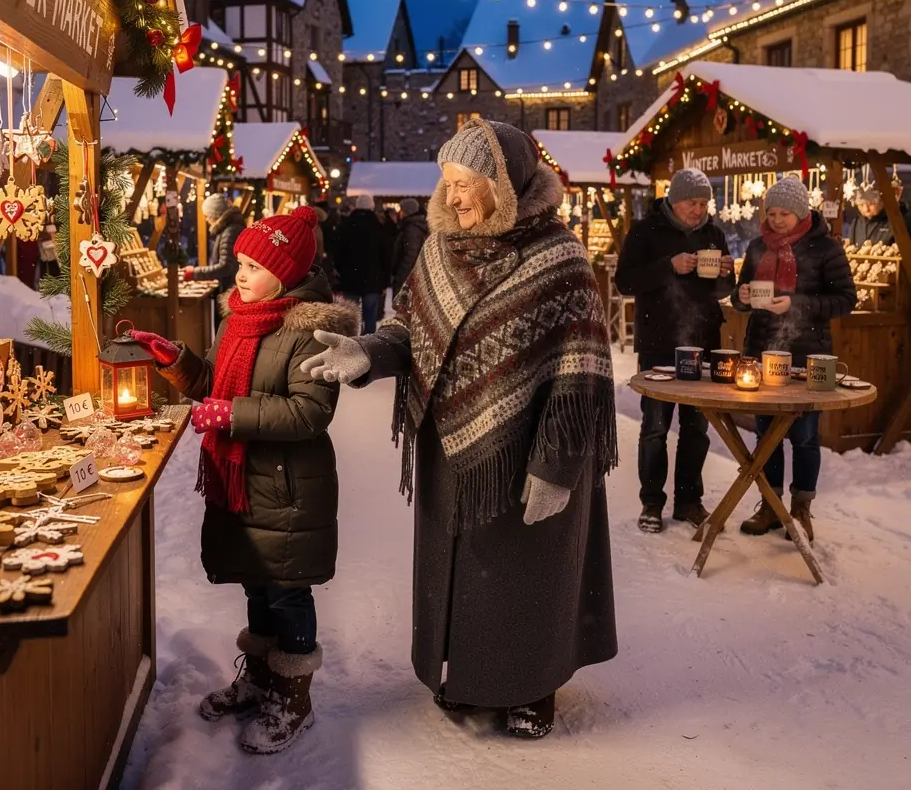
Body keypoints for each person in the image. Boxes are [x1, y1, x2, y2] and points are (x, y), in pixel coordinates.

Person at [302, 119, 618, 739]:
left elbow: (578, 377)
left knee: (526, 572)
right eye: (447, 182)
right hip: (450, 449)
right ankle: (469, 677)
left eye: (469, 181)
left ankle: (532, 688)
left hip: (529, 452)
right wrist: (370, 353)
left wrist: (555, 468)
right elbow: (409, 329)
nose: (455, 196)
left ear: (507, 182)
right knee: (465, 570)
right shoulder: (439, 249)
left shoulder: (561, 257)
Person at [129, 207, 358, 755]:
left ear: (286, 274)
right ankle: (260, 677)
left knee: (286, 592)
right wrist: (179, 363)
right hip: (243, 484)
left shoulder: (310, 331)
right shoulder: (238, 318)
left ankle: (293, 695)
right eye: (241, 262)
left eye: (255, 265)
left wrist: (231, 415)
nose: (241, 274)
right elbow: (214, 382)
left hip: (286, 487)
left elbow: (308, 412)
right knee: (257, 581)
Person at [732, 177, 856, 543]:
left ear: (801, 212)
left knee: (804, 436)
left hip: (808, 354)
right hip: (762, 351)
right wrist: (740, 296)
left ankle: (801, 508)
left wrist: (797, 304)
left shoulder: (825, 248)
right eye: (771, 213)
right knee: (766, 434)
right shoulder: (756, 247)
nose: (776, 220)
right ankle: (771, 504)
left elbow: (846, 299)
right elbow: (742, 298)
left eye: (784, 213)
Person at [615, 168, 734, 534]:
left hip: (703, 341)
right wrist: (668, 267)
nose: (698, 210)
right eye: (691, 203)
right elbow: (625, 283)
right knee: (654, 427)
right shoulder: (645, 231)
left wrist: (725, 275)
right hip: (659, 344)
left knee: (696, 427)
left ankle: (688, 501)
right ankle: (651, 503)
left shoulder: (713, 234)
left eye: (703, 203)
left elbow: (724, 290)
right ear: (673, 199)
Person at [334, 193, 391, 334]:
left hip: (350, 277)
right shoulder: (378, 226)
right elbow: (386, 255)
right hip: (373, 278)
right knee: (370, 316)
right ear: (371, 207)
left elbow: (337, 251)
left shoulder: (346, 225)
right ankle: (368, 344)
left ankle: (349, 342)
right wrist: (385, 279)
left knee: (350, 315)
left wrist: (341, 270)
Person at [183, 194, 246, 296]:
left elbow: (226, 266)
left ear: (215, 214)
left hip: (229, 290)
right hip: (231, 288)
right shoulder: (229, 229)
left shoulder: (229, 232)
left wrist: (195, 273)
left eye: (207, 215)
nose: (207, 219)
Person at [391, 197, 429, 298]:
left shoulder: (411, 228)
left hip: (407, 278)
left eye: (402, 210)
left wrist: (400, 277)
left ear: (407, 212)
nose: (400, 213)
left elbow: (410, 255)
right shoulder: (412, 226)